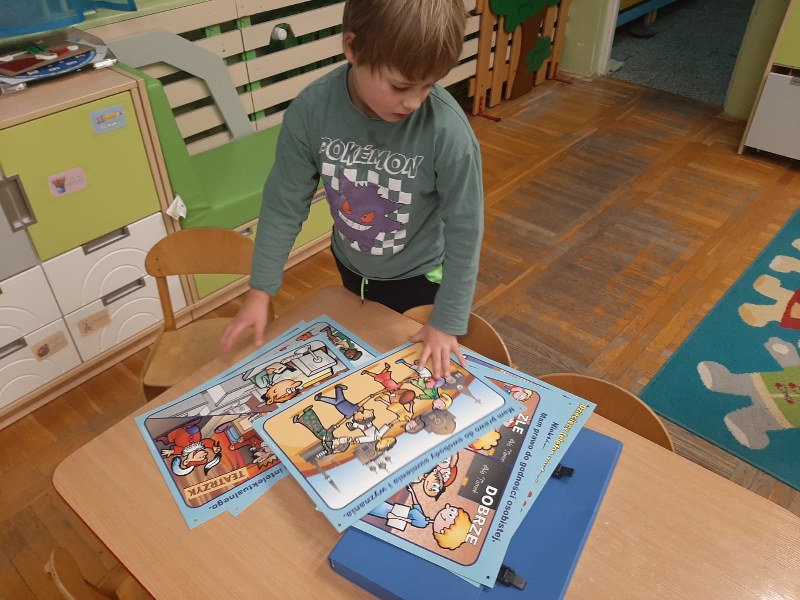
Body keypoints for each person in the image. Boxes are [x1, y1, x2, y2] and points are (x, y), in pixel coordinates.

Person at [220, 0, 483, 379]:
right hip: (350, 267)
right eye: (400, 85)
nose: (414, 101)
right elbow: (283, 205)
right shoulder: (312, 110)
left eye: (429, 85)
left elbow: (465, 230)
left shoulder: (449, 132)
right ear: (352, 47)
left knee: (413, 382)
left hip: (421, 280)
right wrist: (261, 290)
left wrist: (447, 321)